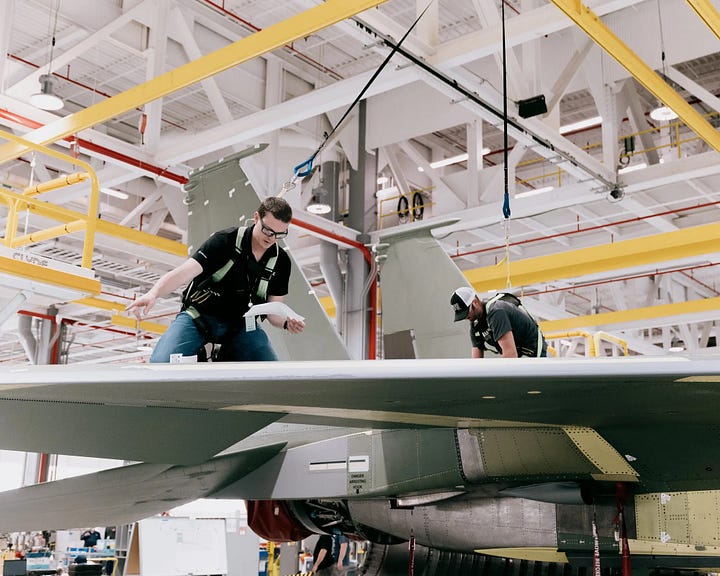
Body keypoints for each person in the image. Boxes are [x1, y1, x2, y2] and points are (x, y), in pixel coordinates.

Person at [127, 196, 305, 362]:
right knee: (161, 363)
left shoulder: (281, 261)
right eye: (267, 230)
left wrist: (286, 323)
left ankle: (225, 354)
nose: (272, 238)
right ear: (256, 218)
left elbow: (273, 310)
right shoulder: (224, 241)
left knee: (271, 373)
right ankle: (202, 352)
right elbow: (184, 273)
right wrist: (153, 293)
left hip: (241, 325)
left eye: (280, 234)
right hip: (200, 317)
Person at [450, 286, 546, 358]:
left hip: (533, 351)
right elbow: (476, 362)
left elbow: (510, 355)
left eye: (467, 312)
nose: (466, 317)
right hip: (518, 354)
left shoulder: (496, 312)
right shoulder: (475, 325)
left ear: (474, 302)